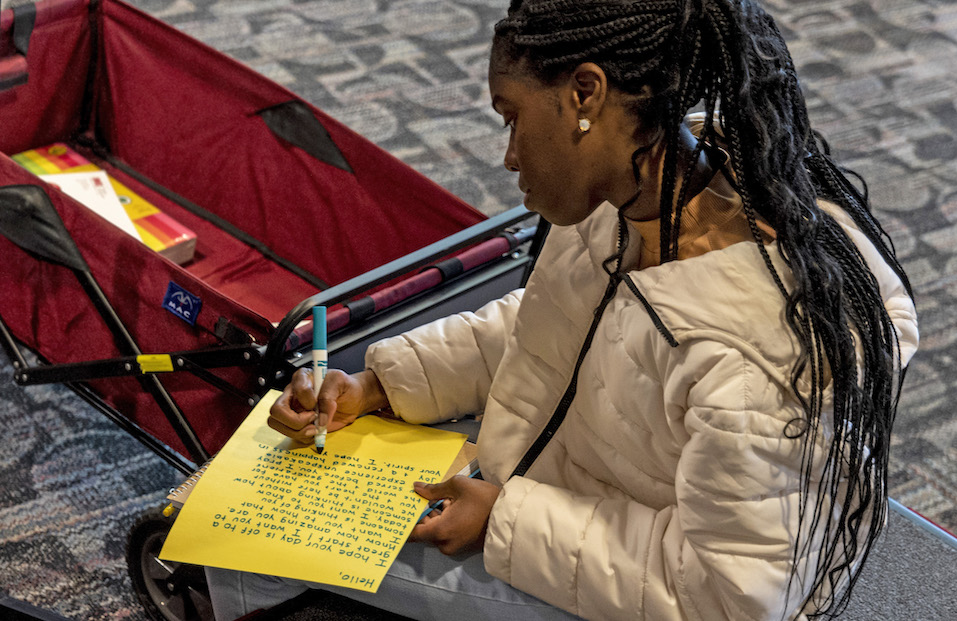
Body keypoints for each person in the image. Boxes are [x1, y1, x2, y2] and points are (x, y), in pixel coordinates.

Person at [206, 0, 919, 618]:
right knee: (288, 496)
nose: (511, 155)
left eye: (512, 118)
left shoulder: (749, 358)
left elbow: (727, 597)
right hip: (570, 500)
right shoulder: (645, 184)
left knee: (258, 538)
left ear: (586, 95)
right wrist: (380, 384)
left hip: (658, 594)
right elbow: (547, 327)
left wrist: (506, 520)